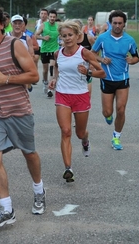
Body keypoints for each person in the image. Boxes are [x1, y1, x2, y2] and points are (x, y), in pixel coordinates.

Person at [0, 5, 45, 227]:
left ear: (2, 23)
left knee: (29, 154)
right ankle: (6, 209)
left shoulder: (15, 45)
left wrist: (6, 79)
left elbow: (34, 76)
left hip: (19, 111)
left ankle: (39, 190)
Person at [48, 19, 105, 182]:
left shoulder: (84, 53)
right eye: (64, 36)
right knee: (66, 131)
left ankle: (85, 140)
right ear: (60, 37)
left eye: (70, 35)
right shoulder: (58, 53)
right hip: (63, 95)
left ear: (77, 35)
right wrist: (54, 79)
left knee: (80, 133)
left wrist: (87, 72)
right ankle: (68, 168)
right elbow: (58, 67)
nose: (67, 38)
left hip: (80, 95)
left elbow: (102, 73)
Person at [91, 10, 139, 150]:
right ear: (110, 23)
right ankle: (108, 116)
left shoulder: (129, 40)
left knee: (121, 109)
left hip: (122, 79)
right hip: (106, 78)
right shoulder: (102, 38)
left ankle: (116, 137)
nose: (117, 26)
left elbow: (137, 57)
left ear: (124, 24)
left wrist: (132, 60)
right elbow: (92, 54)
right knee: (107, 112)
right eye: (115, 23)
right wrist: (101, 59)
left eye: (120, 23)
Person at [7, 14, 35, 92]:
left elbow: (31, 55)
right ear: (11, 24)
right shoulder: (6, 36)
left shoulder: (27, 38)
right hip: (9, 68)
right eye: (15, 23)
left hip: (22, 68)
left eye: (19, 23)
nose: (17, 26)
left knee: (22, 90)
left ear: (23, 25)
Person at [35, 9, 60, 98]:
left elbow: (63, 34)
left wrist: (62, 41)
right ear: (48, 17)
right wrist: (43, 38)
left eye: (54, 17)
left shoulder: (58, 26)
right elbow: (35, 35)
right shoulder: (43, 25)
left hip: (54, 50)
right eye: (51, 17)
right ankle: (45, 82)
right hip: (44, 50)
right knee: (45, 71)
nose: (52, 18)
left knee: (51, 68)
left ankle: (50, 88)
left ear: (56, 18)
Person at [33, 9, 48, 77]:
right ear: (39, 14)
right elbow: (35, 32)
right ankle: (35, 75)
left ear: (47, 15)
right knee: (35, 59)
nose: (43, 15)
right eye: (42, 13)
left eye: (45, 14)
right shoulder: (37, 22)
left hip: (45, 45)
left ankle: (45, 76)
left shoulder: (48, 23)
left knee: (45, 64)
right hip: (37, 44)